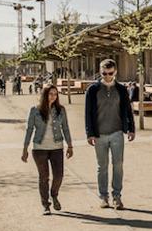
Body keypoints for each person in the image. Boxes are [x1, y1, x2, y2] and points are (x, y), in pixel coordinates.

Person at [84, 58, 135, 209]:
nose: (107, 76)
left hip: (117, 133)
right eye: (104, 73)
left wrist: (131, 128)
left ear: (115, 72)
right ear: (100, 72)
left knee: (118, 165)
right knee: (102, 167)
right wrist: (89, 133)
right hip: (99, 135)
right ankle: (103, 197)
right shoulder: (92, 90)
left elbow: (128, 110)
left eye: (110, 73)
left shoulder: (121, 89)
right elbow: (87, 113)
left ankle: (117, 196)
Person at [21, 84, 73, 215]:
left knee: (59, 176)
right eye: (50, 94)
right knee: (44, 177)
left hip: (57, 148)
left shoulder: (61, 110)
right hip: (39, 149)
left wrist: (70, 145)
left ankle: (54, 194)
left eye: (55, 94)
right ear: (45, 95)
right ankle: (45, 204)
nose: (53, 97)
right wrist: (25, 148)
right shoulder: (35, 110)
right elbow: (29, 129)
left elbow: (65, 128)